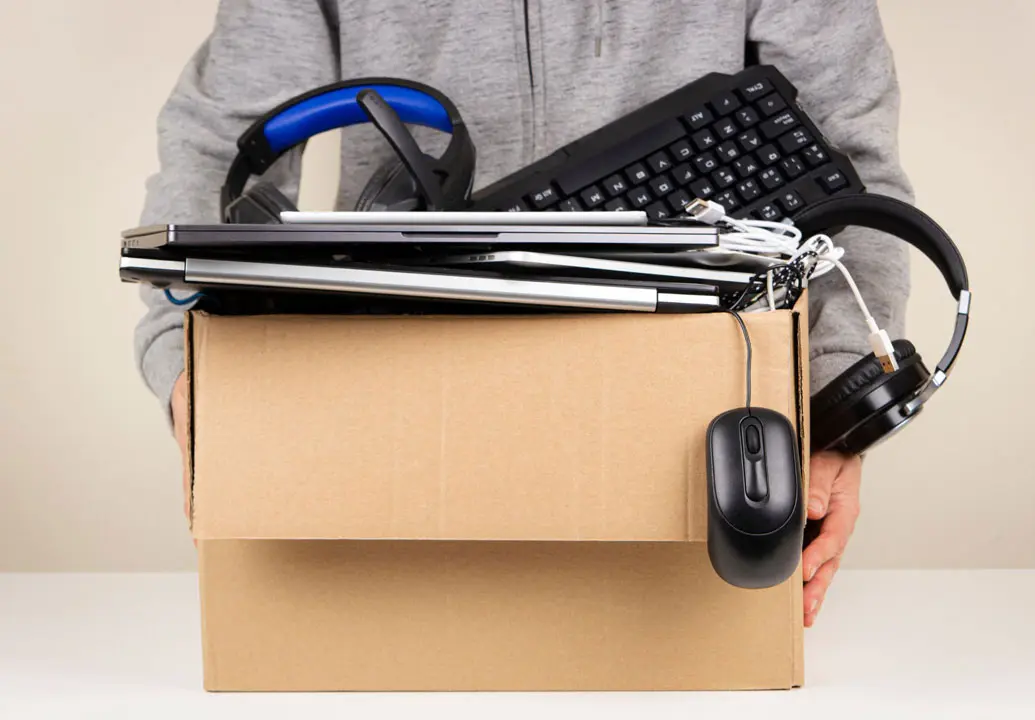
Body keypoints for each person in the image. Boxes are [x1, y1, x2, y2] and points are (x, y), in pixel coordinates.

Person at [135, 0, 912, 629]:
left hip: (687, 371)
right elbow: (224, 138)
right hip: (393, 367)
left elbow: (848, 163)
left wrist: (836, 405)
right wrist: (193, 368)